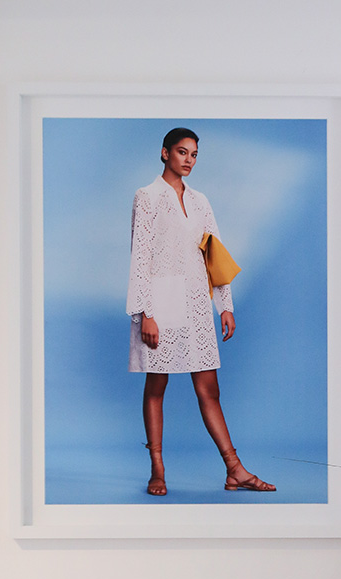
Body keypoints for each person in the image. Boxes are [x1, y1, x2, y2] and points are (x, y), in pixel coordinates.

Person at [124, 127, 274, 496]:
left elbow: (214, 254)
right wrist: (146, 312)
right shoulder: (146, 197)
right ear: (164, 153)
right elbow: (140, 256)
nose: (188, 159)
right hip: (159, 303)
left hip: (195, 304)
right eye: (181, 152)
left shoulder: (202, 201)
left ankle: (234, 469)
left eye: (193, 154)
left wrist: (225, 306)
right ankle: (157, 470)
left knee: (209, 390)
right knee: (156, 386)